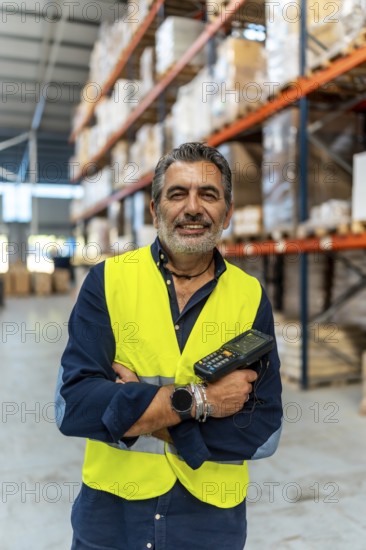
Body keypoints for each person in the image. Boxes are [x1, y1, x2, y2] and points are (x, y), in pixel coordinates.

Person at [56, 142, 282, 550]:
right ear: (154, 209)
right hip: (113, 517)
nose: (192, 208)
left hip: (209, 524)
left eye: (208, 195)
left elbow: (263, 430)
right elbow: (74, 407)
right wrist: (200, 401)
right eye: (177, 193)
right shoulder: (108, 282)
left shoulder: (249, 296)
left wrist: (135, 408)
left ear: (227, 213)